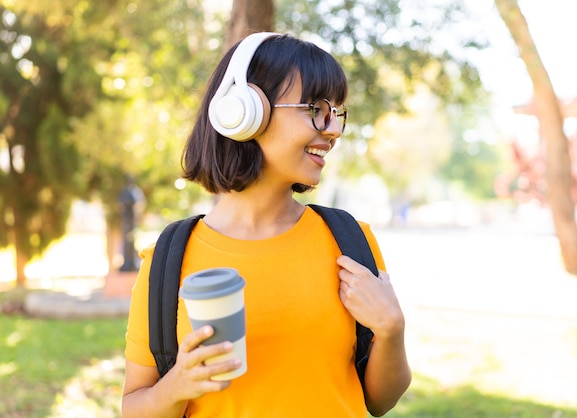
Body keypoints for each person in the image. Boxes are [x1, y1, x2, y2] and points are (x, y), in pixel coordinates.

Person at [122, 32, 411, 418]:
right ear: (243, 111)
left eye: (337, 112)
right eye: (317, 108)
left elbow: (380, 401)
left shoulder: (350, 241)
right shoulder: (168, 259)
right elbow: (134, 406)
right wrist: (176, 387)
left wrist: (392, 329)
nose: (334, 130)